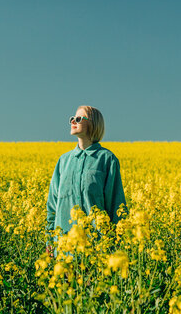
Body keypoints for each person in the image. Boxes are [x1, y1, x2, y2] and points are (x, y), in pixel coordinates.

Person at [46, 105, 128, 257]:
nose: (73, 122)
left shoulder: (107, 159)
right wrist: (50, 240)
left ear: (93, 124)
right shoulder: (63, 161)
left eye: (78, 119)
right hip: (64, 249)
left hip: (96, 249)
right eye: (72, 119)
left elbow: (116, 204)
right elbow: (53, 204)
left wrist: (116, 246)